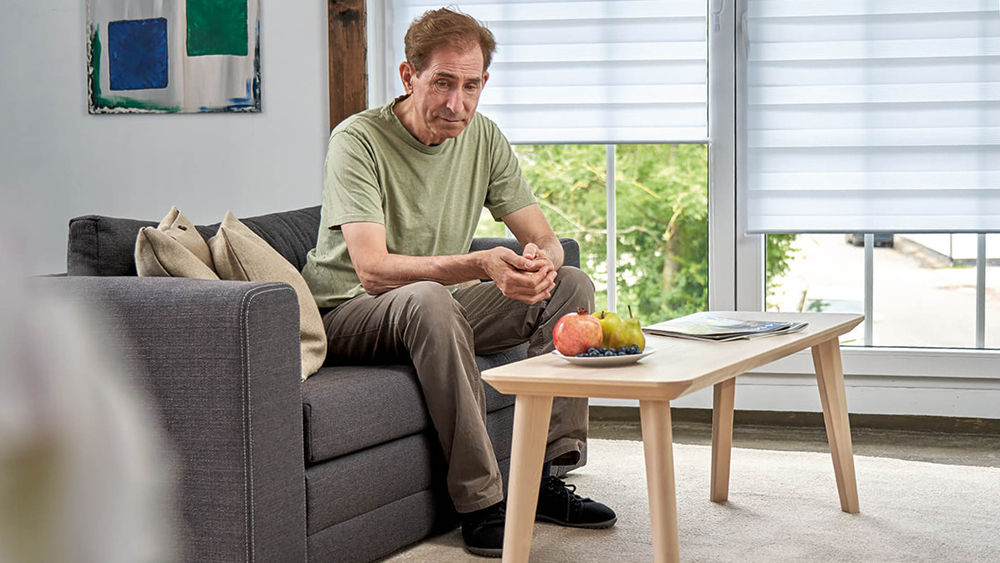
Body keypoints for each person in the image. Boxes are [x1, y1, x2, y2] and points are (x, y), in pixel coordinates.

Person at [301, 7, 615, 557]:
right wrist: (482, 263)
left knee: (571, 285)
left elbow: (544, 236)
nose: (457, 103)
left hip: (433, 308)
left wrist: (539, 263)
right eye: (443, 83)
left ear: (484, 83)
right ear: (409, 76)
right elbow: (372, 270)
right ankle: (481, 501)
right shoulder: (357, 140)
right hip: (347, 311)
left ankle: (542, 478)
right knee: (427, 300)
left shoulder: (484, 137)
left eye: (471, 86)